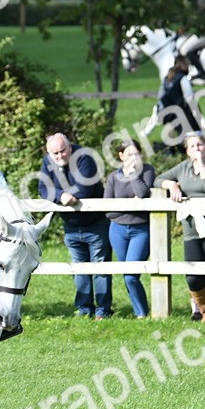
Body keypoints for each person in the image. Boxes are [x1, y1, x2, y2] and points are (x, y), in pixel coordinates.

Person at [155, 131, 205, 321]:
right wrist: (171, 185)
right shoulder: (183, 168)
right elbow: (157, 179)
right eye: (192, 147)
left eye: (199, 145)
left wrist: (202, 167)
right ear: (187, 151)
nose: (197, 149)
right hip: (191, 231)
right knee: (194, 276)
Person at [39, 132, 112, 319]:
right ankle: (84, 308)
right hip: (71, 225)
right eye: (54, 154)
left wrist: (62, 194)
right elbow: (42, 188)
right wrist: (60, 196)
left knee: (100, 268)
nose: (59, 156)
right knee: (79, 269)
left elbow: (84, 188)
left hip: (96, 223)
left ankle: (103, 311)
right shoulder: (48, 162)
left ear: (69, 147)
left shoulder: (84, 158)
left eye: (62, 151)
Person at [104, 140, 154, 318]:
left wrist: (133, 175)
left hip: (141, 230)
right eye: (129, 154)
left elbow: (142, 194)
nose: (134, 158)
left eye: (137, 154)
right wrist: (132, 205)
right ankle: (138, 310)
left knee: (131, 275)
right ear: (121, 156)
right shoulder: (113, 177)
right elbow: (108, 210)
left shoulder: (147, 171)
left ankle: (142, 313)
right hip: (117, 229)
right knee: (127, 274)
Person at [155, 55, 200, 146]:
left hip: (169, 113)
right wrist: (196, 112)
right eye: (188, 65)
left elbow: (161, 95)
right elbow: (189, 97)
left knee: (179, 137)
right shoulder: (182, 78)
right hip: (182, 112)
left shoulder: (167, 78)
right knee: (195, 136)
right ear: (184, 65)